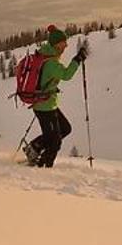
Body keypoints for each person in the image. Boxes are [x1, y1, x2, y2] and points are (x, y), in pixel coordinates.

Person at [25, 26, 88, 168]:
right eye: (63, 42)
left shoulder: (46, 54)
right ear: (56, 44)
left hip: (46, 103)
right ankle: (44, 166)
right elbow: (66, 75)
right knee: (55, 140)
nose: (66, 45)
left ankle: (34, 148)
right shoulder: (51, 62)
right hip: (45, 106)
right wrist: (77, 60)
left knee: (64, 129)